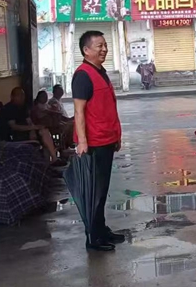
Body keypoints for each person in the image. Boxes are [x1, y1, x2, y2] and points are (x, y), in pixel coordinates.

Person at [72, 30, 126, 252]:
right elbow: (78, 111)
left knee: (102, 190)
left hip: (106, 139)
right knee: (94, 191)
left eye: (105, 45)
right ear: (86, 50)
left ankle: (102, 229)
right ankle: (93, 238)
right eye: (99, 46)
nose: (104, 49)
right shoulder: (83, 75)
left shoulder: (100, 71)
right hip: (93, 143)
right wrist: (82, 142)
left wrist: (116, 135)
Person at [0, 87, 65, 166]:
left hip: (27, 132)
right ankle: (52, 160)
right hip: (16, 135)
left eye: (23, 95)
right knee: (43, 136)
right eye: (19, 95)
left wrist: (32, 130)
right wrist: (33, 128)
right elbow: (14, 127)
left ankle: (51, 162)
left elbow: (29, 121)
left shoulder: (23, 107)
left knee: (44, 131)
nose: (22, 98)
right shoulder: (9, 108)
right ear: (12, 97)